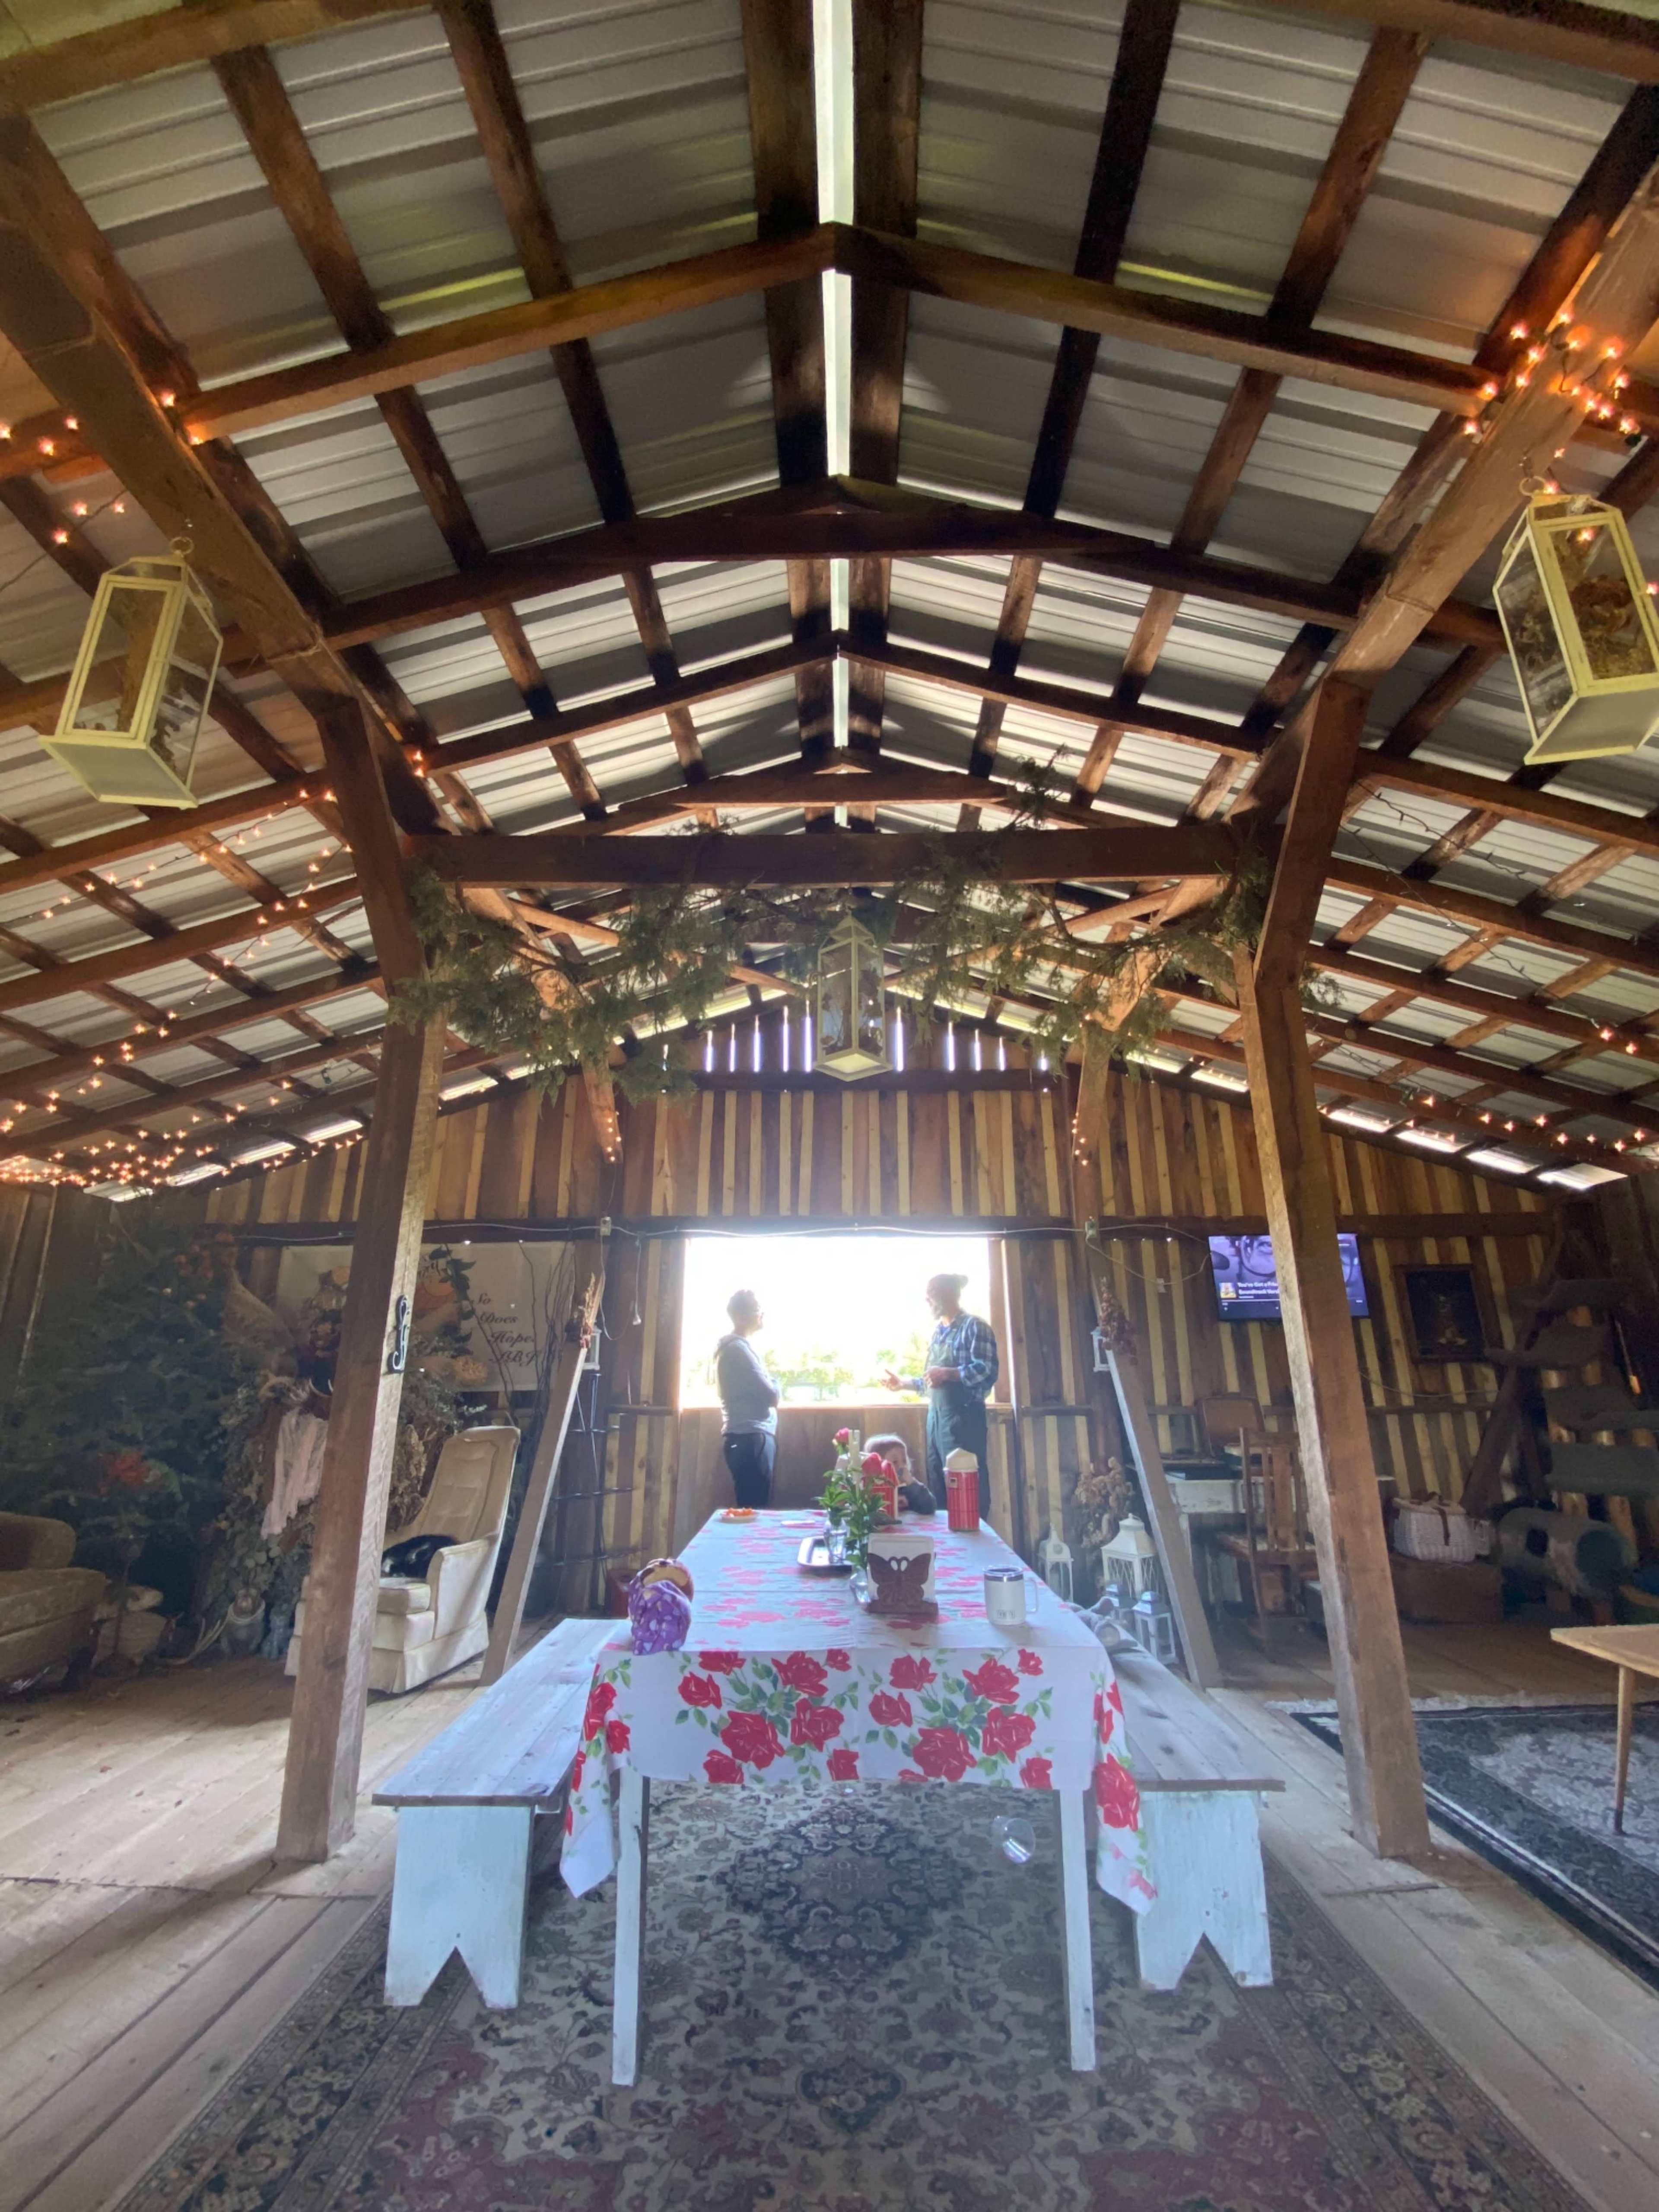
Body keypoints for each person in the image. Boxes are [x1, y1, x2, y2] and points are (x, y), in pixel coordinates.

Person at [882, 1272, 998, 1506]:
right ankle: (948, 1542)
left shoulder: (975, 1326)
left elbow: (987, 1370)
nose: (928, 1301)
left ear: (950, 1295)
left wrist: (948, 1373)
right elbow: (931, 1381)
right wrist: (903, 1384)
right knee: (940, 1482)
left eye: (932, 1295)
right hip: (937, 1421)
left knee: (967, 1489)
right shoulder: (938, 1333)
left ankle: (973, 1541)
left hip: (964, 1420)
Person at [715, 1288, 779, 1508]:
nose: (762, 1314)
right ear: (741, 1317)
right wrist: (776, 1383)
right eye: (757, 1310)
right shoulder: (737, 1351)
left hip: (749, 1438)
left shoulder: (739, 1349)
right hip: (750, 1438)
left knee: (755, 1508)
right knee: (755, 1511)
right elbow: (771, 1396)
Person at [864, 1431, 936, 1516]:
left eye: (904, 1461)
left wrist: (912, 1483)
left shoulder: (907, 1489)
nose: (902, 1466)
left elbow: (930, 1508)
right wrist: (892, 1503)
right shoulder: (870, 1490)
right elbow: (867, 1517)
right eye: (895, 1462)